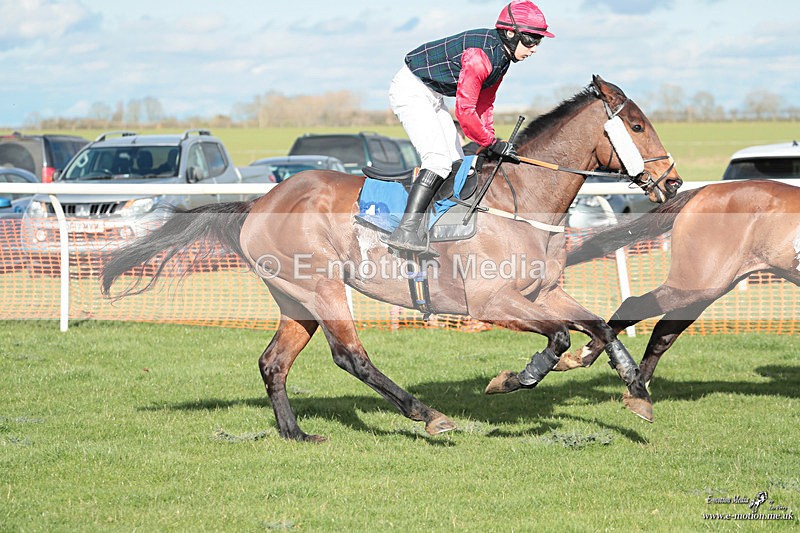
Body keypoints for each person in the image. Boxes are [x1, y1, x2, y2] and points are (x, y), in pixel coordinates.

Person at [385, 1, 554, 253]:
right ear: (510, 33)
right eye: (530, 40)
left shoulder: (502, 59)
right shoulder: (480, 57)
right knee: (437, 161)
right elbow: (464, 111)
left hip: (433, 95)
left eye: (538, 41)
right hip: (411, 90)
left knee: (456, 160)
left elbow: (484, 104)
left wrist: (491, 139)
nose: (534, 48)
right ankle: (405, 230)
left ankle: (429, 228)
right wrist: (490, 143)